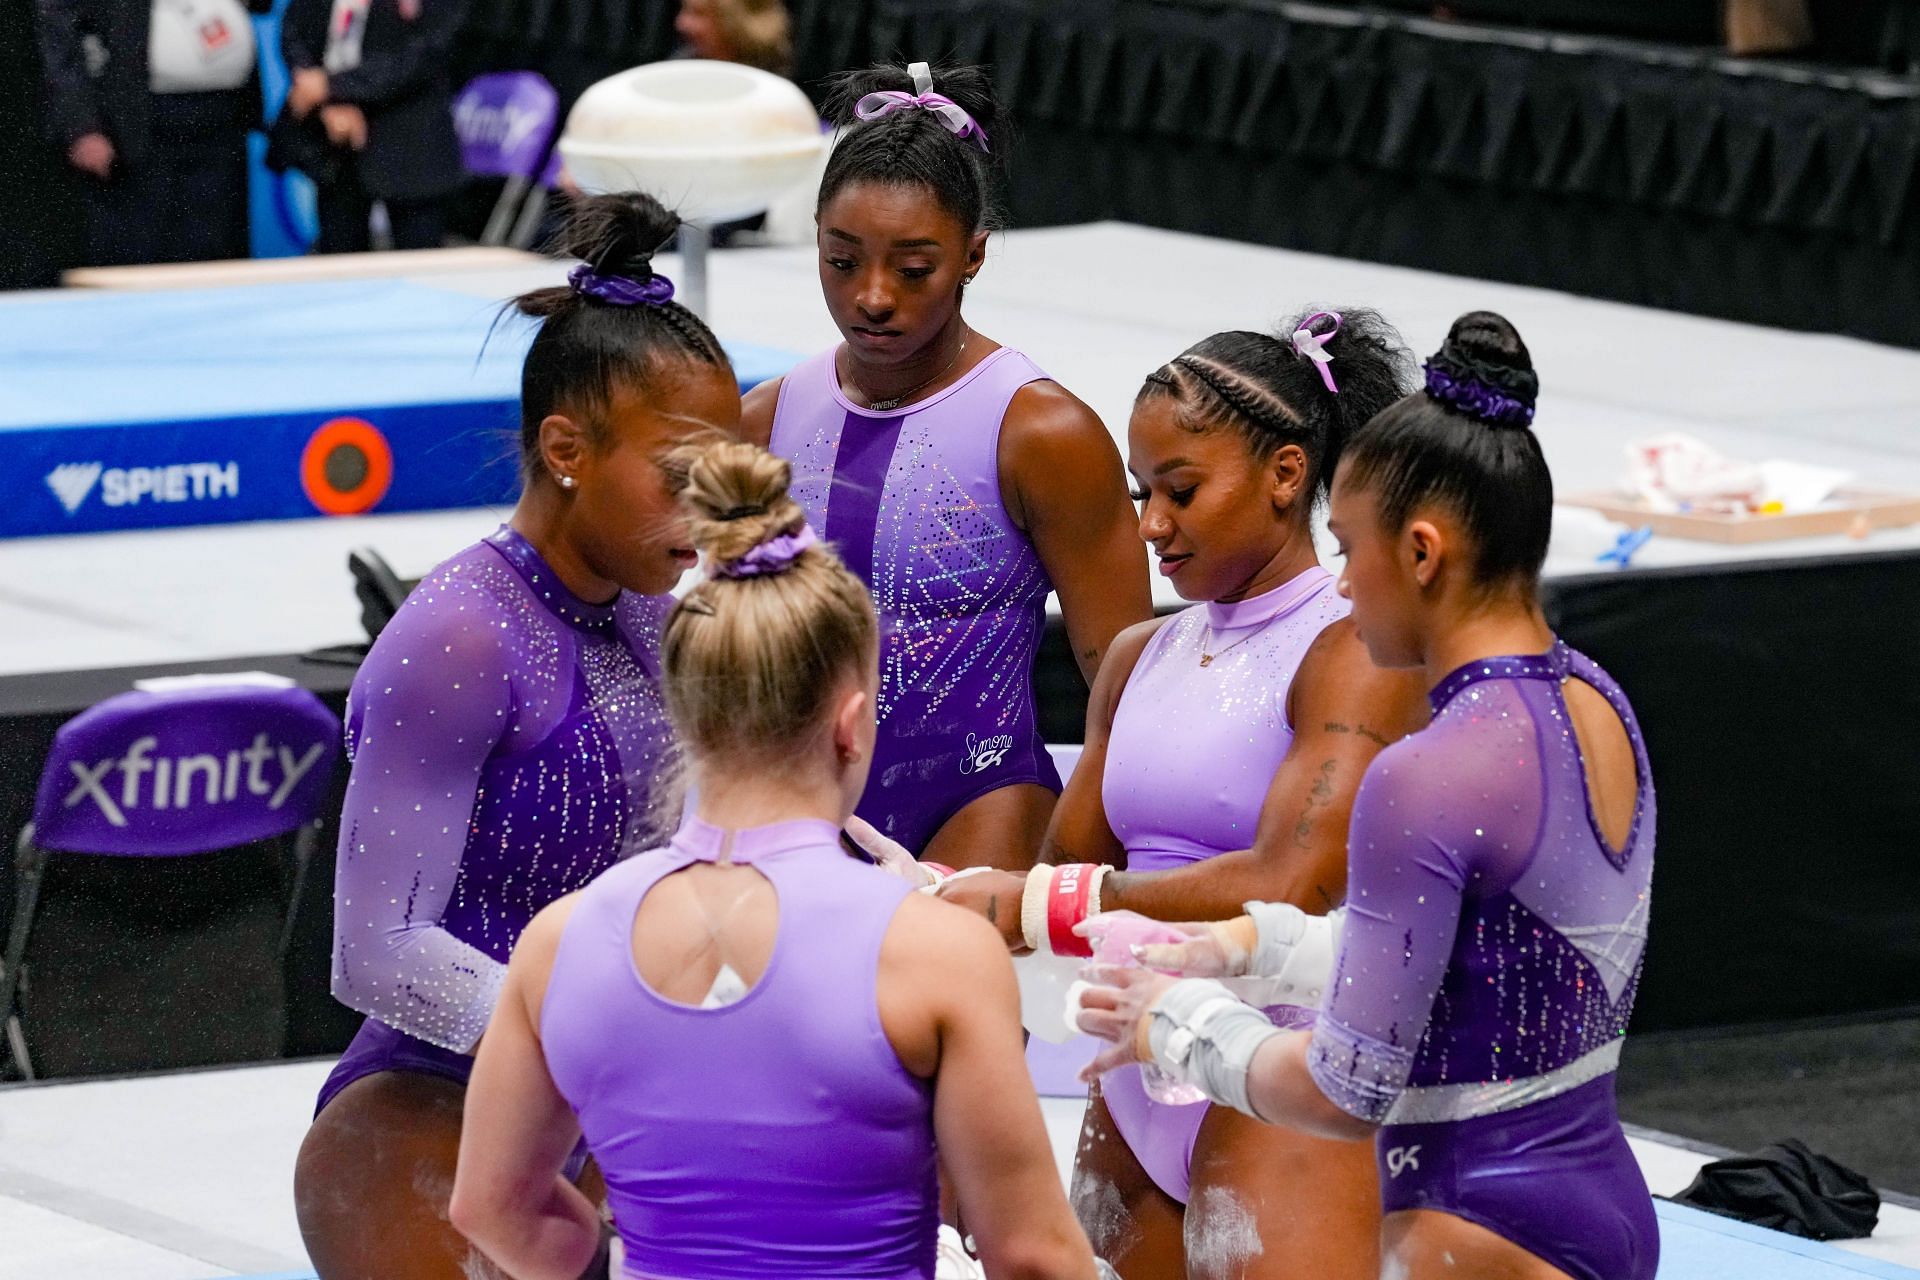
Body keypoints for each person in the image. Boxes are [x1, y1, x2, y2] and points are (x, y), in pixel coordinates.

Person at [1075, 313, 1660, 1280]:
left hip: (1465, 1226)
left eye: (1348, 548)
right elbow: (1493, 957)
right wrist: (1249, 945)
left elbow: (1352, 1082)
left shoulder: (1423, 774)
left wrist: (1177, 1025)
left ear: (1422, 552)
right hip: (1596, 1199)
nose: (1341, 586)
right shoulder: (1599, 703)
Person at [449, 438, 1100, 1280]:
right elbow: (1032, 1255)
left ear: (686, 714)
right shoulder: (933, 953)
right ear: (851, 723)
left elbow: (490, 1205)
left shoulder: (557, 943)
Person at [292, 192, 741, 1280]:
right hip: (424, 1106)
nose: (709, 507)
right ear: (565, 447)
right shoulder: (455, 638)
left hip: (608, 1102)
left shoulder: (655, 608)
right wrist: (613, 1041)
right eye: (680, 472)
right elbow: (376, 951)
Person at [935, 309, 1431, 1278]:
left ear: (1288, 474)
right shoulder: (1135, 656)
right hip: (1130, 1066)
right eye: (1142, 492)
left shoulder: (1354, 644)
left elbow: (1292, 881)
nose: (1151, 524)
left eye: (1182, 490)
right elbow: (1056, 881)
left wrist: (1048, 900)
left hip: (1278, 1062)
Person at [743, 60, 1151, 871]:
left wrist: (1100, 872)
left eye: (914, 267)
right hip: (793, 799)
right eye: (842, 259)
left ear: (973, 256)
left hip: (979, 796)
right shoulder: (765, 419)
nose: (873, 295)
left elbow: (1123, 680)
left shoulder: (1042, 433)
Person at [34, 0, 269, 265]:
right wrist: (81, 126)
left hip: (222, 119)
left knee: (219, 250)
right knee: (143, 252)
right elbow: (60, 36)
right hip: (135, 125)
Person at [278, 0, 468, 252]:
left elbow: (427, 51)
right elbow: (296, 29)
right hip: (336, 145)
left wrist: (333, 87)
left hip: (410, 143)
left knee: (420, 269)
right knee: (339, 266)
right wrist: (326, 104)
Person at [674, 0, 790, 75]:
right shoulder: (682, 65)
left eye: (698, 13)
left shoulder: (775, 86)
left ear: (733, 22)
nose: (681, 23)